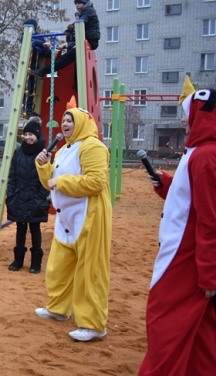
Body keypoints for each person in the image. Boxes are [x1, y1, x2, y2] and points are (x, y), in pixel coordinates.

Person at [138, 87, 216, 375]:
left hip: (186, 259)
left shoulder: (206, 155)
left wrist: (209, 271)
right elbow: (192, 201)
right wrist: (166, 183)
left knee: (166, 326)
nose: (185, 122)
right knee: (201, 332)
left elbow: (210, 217)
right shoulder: (199, 152)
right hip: (187, 254)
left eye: (188, 115)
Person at [34, 107, 111, 342]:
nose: (65, 124)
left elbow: (96, 182)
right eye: (64, 120)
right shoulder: (64, 150)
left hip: (89, 216)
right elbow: (50, 183)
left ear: (81, 123)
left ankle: (93, 324)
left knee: (90, 271)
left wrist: (62, 181)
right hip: (66, 216)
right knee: (59, 266)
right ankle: (58, 308)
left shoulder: (93, 146)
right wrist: (43, 165)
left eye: (71, 120)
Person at [5, 118, 50, 274]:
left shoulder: (44, 153)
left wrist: (42, 195)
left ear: (37, 135)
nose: (28, 137)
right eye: (26, 134)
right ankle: (18, 260)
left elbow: (47, 176)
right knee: (20, 228)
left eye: (31, 134)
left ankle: (35, 262)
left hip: (35, 196)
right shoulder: (19, 151)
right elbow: (12, 174)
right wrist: (11, 194)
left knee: (35, 227)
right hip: (19, 194)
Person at [29, 0, 100, 80]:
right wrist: (70, 30)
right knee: (68, 59)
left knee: (65, 59)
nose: (76, 5)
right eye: (76, 4)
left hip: (89, 41)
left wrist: (73, 24)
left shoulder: (88, 10)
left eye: (79, 3)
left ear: (85, 3)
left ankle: (42, 71)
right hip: (87, 41)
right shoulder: (86, 11)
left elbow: (82, 21)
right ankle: (43, 72)